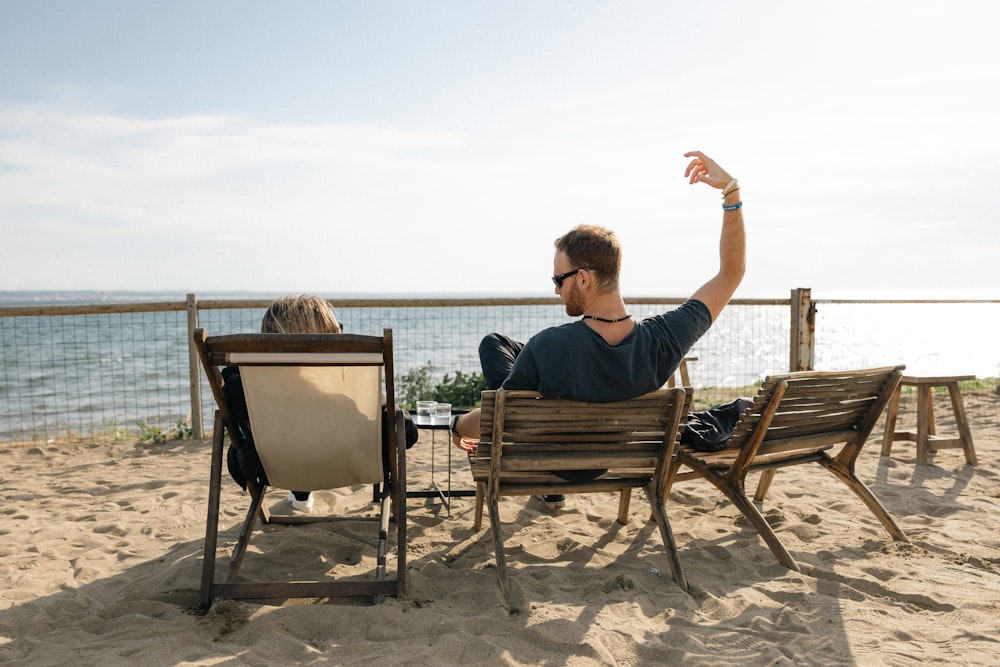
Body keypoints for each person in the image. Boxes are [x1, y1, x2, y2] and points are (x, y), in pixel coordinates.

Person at [449, 151, 746, 509]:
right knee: (500, 347)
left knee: (499, 356)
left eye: (559, 279)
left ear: (584, 278)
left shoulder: (549, 346)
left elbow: (495, 419)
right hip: (610, 459)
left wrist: (455, 426)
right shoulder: (664, 339)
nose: (556, 289)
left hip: (552, 463)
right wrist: (731, 193)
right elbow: (731, 274)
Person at [223, 295, 418, 512]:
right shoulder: (345, 393)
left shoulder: (243, 388)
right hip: (349, 466)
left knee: (295, 434)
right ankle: (301, 494)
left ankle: (300, 495)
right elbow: (406, 434)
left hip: (275, 467)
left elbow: (238, 429)